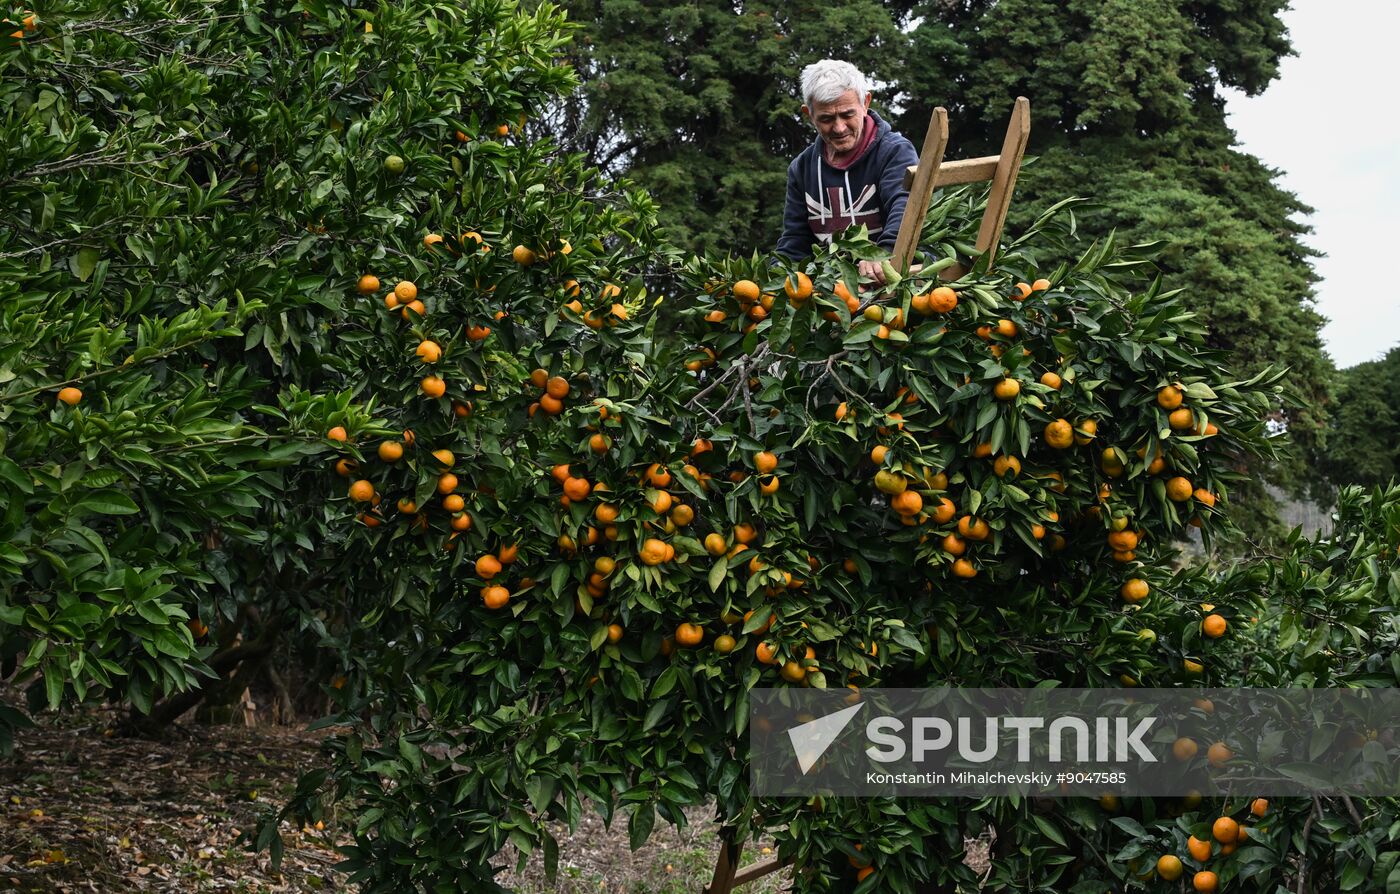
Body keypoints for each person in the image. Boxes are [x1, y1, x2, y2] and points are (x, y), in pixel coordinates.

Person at [775, 60, 920, 285]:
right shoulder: (802, 169)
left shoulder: (894, 152)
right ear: (809, 114)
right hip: (832, 294)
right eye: (826, 119)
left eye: (847, 114)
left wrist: (884, 253)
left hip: (891, 284)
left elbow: (905, 206)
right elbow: (795, 240)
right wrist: (772, 278)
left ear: (865, 103)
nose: (839, 128)